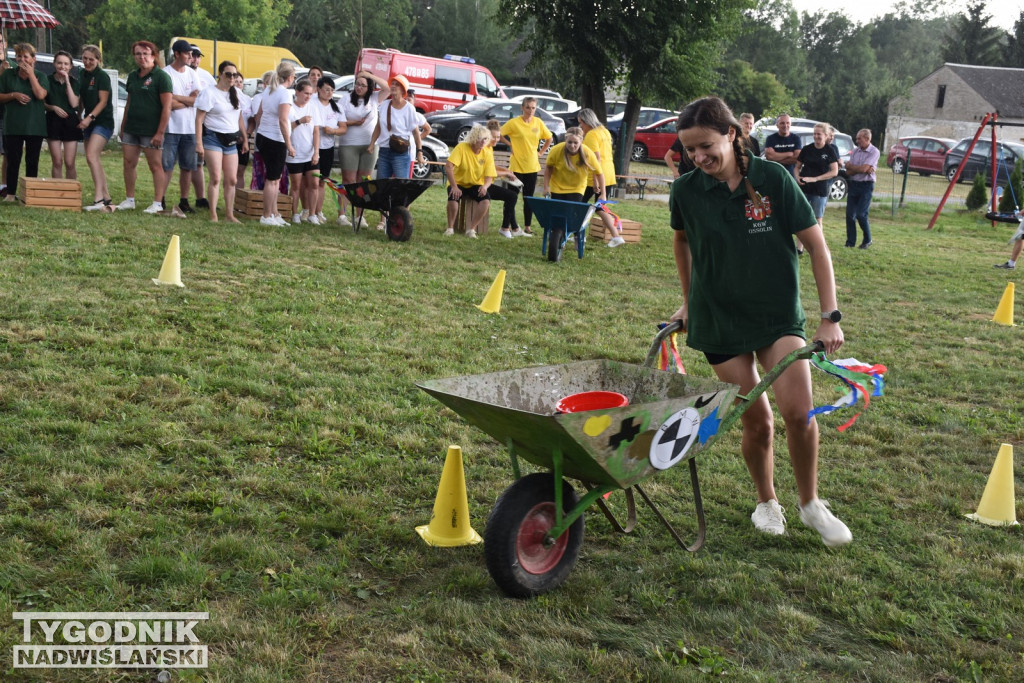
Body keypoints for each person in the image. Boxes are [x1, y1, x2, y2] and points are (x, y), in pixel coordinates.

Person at [669, 96, 851, 548]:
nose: (699, 158)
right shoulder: (685, 190)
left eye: (706, 146)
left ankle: (810, 504)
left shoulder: (772, 178)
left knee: (798, 412)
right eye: (690, 150)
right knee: (758, 422)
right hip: (719, 319)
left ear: (732, 134)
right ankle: (767, 501)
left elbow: (818, 247)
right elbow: (681, 243)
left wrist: (830, 317)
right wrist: (688, 300)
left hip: (776, 316)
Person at [118, 40, 172, 212]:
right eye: (138, 54)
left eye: (145, 54)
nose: (142, 57)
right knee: (128, 163)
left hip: (152, 130)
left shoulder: (162, 77)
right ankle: (129, 199)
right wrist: (123, 125)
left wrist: (160, 132)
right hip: (132, 127)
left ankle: (157, 203)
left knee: (155, 165)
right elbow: (129, 102)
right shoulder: (133, 76)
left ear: (153, 56)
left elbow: (167, 107)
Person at [368, 75, 424, 228]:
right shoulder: (384, 105)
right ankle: (383, 220)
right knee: (383, 186)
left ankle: (400, 220)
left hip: (401, 153)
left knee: (401, 188)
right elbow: (378, 127)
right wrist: (372, 143)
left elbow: (416, 132)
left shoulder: (409, 108)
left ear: (403, 90)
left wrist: (419, 151)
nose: (393, 87)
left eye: (396, 85)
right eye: (392, 84)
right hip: (385, 151)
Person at [195, 60, 247, 222]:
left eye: (234, 75)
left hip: (231, 138)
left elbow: (238, 118)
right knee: (216, 177)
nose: (232, 78)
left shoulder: (236, 93)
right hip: (213, 137)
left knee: (232, 179)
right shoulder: (209, 93)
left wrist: (245, 139)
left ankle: (229, 214)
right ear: (220, 75)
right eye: (228, 74)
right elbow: (199, 119)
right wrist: (198, 142)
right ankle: (213, 214)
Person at [156, 39, 202, 215]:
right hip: (171, 128)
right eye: (187, 53)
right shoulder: (165, 74)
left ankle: (184, 200)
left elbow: (198, 98)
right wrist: (187, 101)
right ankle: (160, 198)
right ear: (176, 54)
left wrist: (177, 98)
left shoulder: (192, 74)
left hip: (190, 128)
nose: (191, 57)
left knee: (187, 166)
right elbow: (167, 104)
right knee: (166, 166)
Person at [337, 70, 388, 227]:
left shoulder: (374, 98)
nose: (359, 87)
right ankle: (342, 215)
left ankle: (359, 216)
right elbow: (340, 122)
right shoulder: (345, 100)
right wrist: (354, 123)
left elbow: (387, 88)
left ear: (369, 87)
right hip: (348, 144)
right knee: (349, 181)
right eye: (357, 84)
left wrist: (369, 75)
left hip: (369, 145)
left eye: (363, 85)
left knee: (363, 182)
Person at [0, 43, 48, 201]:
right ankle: (11, 193)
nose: (22, 60)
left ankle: (29, 193)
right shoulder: (8, 75)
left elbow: (40, 95)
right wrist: (14, 95)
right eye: (19, 56)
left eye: (26, 57)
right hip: (13, 124)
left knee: (32, 160)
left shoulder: (41, 76)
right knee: (13, 159)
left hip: (35, 125)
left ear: (33, 59)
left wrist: (31, 75)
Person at [501, 97, 553, 236]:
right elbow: (500, 134)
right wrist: (510, 144)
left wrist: (541, 152)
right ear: (522, 108)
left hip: (532, 166)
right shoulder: (514, 123)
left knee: (528, 198)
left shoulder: (538, 122)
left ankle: (527, 226)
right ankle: (510, 225)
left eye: (533, 108)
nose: (531, 111)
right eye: (528, 107)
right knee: (512, 196)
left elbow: (549, 138)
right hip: (516, 165)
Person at [254, 61, 296, 226]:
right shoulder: (284, 93)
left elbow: (260, 115)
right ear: (290, 77)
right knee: (272, 180)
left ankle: (274, 213)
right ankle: (266, 215)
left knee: (275, 178)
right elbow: (283, 120)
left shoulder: (269, 90)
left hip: (264, 136)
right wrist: (289, 144)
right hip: (274, 139)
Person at [578, 108, 626, 247]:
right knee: (598, 207)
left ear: (587, 121)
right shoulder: (604, 131)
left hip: (597, 176)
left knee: (582, 205)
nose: (580, 126)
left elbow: (596, 159)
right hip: (609, 173)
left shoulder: (591, 135)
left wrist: (595, 181)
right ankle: (615, 236)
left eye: (581, 123)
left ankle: (615, 236)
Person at [78, 45, 115, 210]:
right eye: (85, 58)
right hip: (88, 121)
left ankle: (98, 199)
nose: (87, 62)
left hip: (103, 121)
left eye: (91, 59)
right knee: (92, 158)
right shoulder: (82, 74)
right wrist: (79, 115)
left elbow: (103, 101)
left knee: (92, 156)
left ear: (98, 60)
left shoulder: (102, 76)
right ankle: (106, 197)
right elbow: (82, 99)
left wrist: (89, 117)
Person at [444, 124, 493, 238]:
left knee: (485, 200)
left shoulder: (487, 153)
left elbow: (489, 176)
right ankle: (450, 228)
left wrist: (485, 186)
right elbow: (448, 166)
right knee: (453, 196)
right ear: (473, 138)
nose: (483, 141)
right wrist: (454, 186)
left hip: (475, 184)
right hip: (458, 182)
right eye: (480, 139)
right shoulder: (461, 147)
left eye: (485, 139)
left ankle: (471, 229)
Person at [764, 113, 804, 251]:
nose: (785, 125)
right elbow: (769, 157)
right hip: (774, 178)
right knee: (774, 208)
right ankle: (775, 237)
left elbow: (797, 158)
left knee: (790, 208)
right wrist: (788, 154)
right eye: (782, 123)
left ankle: (792, 240)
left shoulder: (796, 138)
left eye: (787, 123)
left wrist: (778, 157)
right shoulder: (771, 138)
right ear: (777, 125)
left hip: (791, 179)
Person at [312, 76, 346, 223]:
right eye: (326, 89)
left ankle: (318, 211)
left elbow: (343, 128)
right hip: (311, 147)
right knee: (311, 181)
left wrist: (333, 131)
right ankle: (308, 211)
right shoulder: (312, 103)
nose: (329, 93)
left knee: (322, 181)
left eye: (332, 90)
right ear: (318, 89)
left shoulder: (336, 107)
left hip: (328, 147)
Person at [286, 79, 321, 224]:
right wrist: (300, 121)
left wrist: (316, 152)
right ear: (297, 92)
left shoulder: (312, 107)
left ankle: (312, 214)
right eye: (306, 93)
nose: (308, 97)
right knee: (296, 185)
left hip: (310, 152)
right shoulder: (289, 107)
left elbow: (316, 131)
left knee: (314, 183)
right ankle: (294, 213)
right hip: (295, 152)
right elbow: (286, 128)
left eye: (311, 94)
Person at [43, 50, 82, 180]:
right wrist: (53, 107)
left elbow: (74, 103)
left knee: (70, 163)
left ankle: (70, 193)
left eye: (66, 64)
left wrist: (67, 82)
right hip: (53, 120)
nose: (62, 66)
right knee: (57, 161)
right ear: (54, 64)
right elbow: (42, 103)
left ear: (70, 66)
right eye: (59, 63)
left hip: (70, 121)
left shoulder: (75, 82)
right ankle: (57, 192)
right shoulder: (47, 80)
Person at [795, 123, 839, 230]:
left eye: (819, 134)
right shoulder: (806, 149)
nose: (816, 136)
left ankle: (819, 246)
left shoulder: (830, 150)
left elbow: (834, 171)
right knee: (802, 217)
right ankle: (799, 247)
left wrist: (815, 179)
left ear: (826, 135)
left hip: (820, 190)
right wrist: (797, 178)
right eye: (814, 134)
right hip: (804, 188)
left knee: (817, 219)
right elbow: (797, 167)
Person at [485, 119, 522, 238]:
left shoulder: (489, 148)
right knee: (512, 196)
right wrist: (505, 174)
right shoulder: (484, 148)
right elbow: (487, 171)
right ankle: (505, 228)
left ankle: (511, 227)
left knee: (512, 195)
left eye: (498, 137)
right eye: (494, 137)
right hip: (482, 184)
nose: (496, 139)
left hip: (487, 183)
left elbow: (491, 166)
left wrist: (506, 170)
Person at [543, 126, 601, 203]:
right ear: (565, 140)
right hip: (557, 187)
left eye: (575, 143)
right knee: (557, 213)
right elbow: (548, 168)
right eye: (569, 142)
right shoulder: (556, 150)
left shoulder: (587, 152)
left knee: (571, 212)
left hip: (577, 188)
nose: (572, 145)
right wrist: (546, 187)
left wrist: (603, 193)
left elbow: (599, 173)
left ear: (581, 141)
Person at [845, 128, 878, 249]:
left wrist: (853, 167)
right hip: (854, 184)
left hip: (866, 185)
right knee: (849, 215)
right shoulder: (855, 151)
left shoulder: (874, 152)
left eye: (859, 138)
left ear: (867, 139)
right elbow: (849, 172)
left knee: (861, 214)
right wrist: (859, 168)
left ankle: (867, 240)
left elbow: (863, 169)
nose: (857, 140)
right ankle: (850, 242)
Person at [232, 71, 252, 191]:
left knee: (241, 170)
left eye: (241, 82)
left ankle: (239, 200)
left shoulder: (248, 99)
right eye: (236, 81)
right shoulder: (228, 98)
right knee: (231, 172)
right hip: (231, 137)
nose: (239, 84)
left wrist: (247, 135)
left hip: (244, 138)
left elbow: (252, 120)